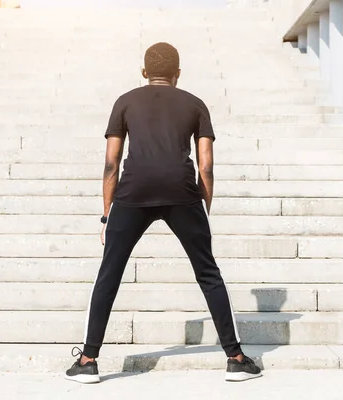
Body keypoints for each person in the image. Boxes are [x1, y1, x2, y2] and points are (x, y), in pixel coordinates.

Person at [64, 42, 262, 384]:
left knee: (109, 274)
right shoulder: (195, 104)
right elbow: (207, 166)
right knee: (208, 274)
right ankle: (236, 358)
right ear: (178, 74)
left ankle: (88, 361)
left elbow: (111, 163)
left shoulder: (124, 101)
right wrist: (204, 209)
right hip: (182, 192)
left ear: (144, 73)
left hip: (132, 192)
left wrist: (106, 215)